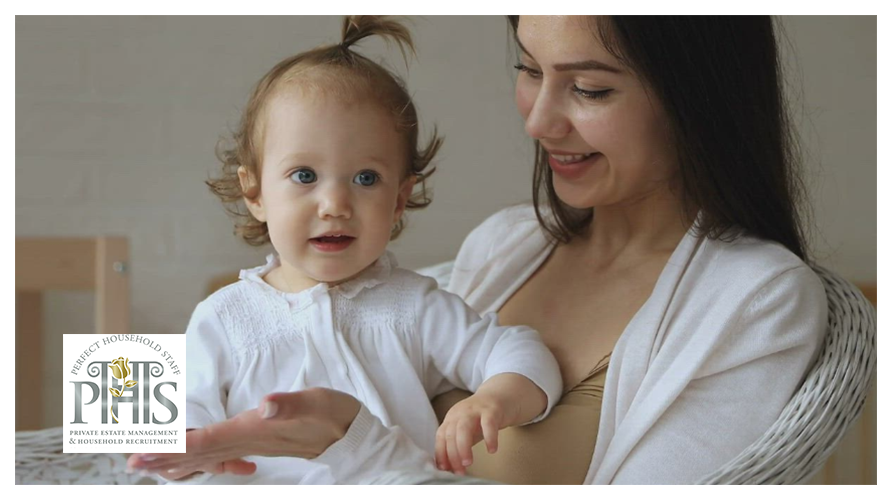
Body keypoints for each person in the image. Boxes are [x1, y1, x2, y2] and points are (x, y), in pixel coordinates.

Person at [128, 15, 828, 484]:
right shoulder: (505, 241)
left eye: (589, 88)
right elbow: (161, 431)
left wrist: (352, 441)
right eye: (529, 70)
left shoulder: (756, 300)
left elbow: (497, 356)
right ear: (254, 192)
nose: (539, 122)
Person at [127, 16, 562, 484]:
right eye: (304, 176)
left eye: (366, 178)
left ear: (399, 199)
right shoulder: (224, 319)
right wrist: (185, 453)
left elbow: (522, 353)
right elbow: (171, 433)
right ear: (255, 193)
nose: (335, 204)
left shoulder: (413, 307)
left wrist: (494, 398)